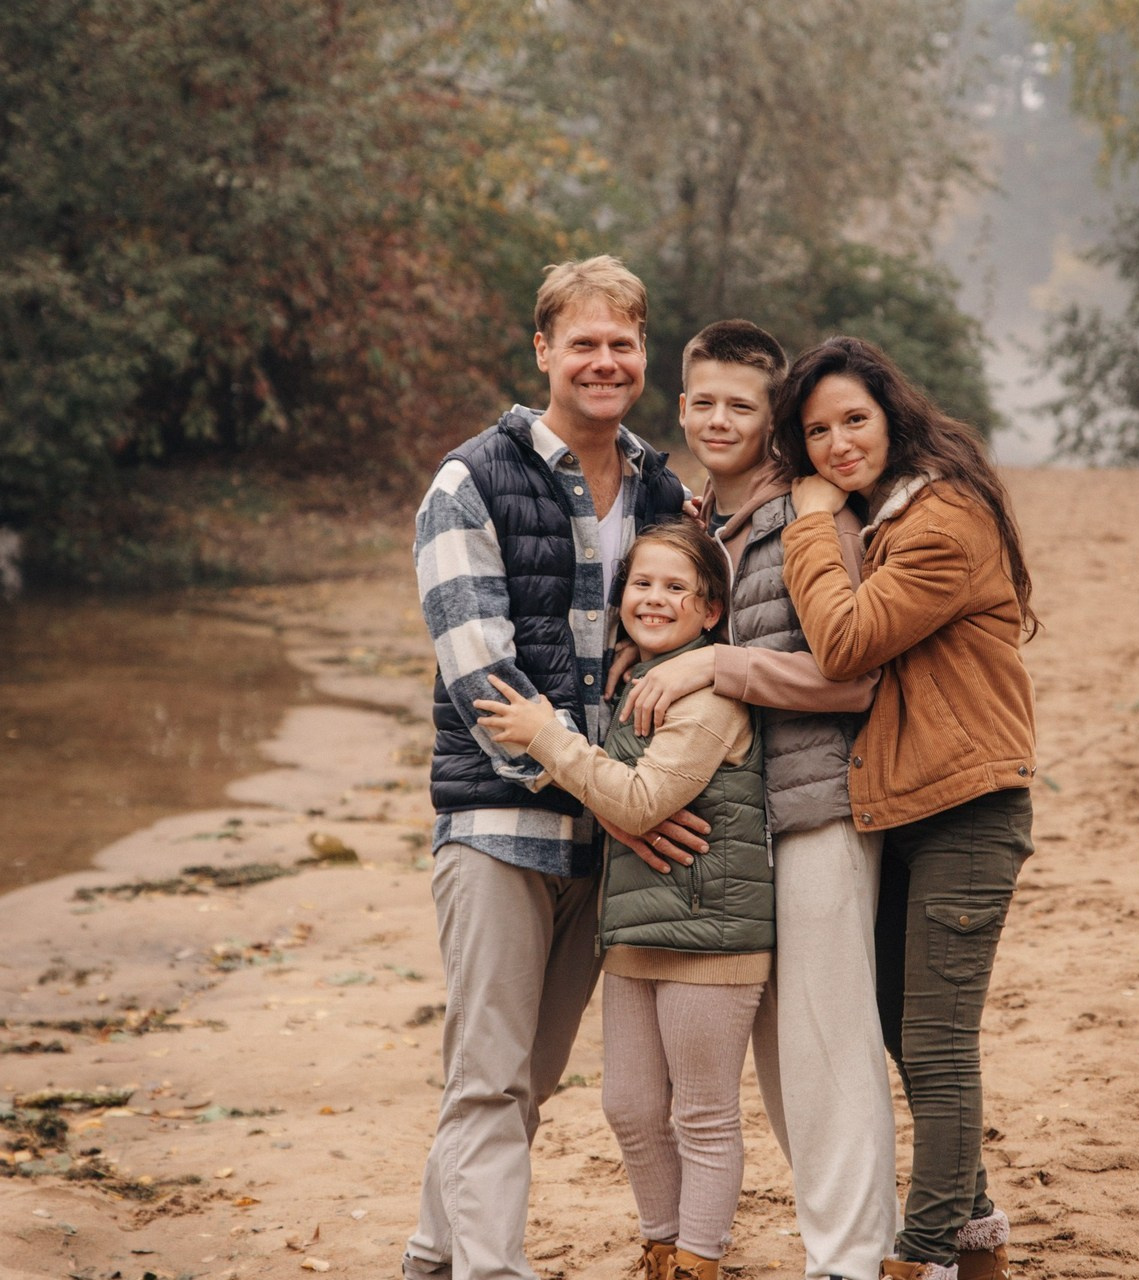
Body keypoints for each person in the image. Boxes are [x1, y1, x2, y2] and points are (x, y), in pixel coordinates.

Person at [403, 255, 687, 1280]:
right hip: (498, 825)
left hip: (605, 835)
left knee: (526, 1075)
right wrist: (607, 788)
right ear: (542, 351)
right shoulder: (467, 480)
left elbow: (680, 644)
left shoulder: (663, 486)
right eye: (583, 342)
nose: (603, 361)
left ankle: (431, 1254)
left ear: (641, 353)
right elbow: (484, 681)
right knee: (488, 1076)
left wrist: (630, 793)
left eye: (621, 342)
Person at [622, 320, 898, 1280]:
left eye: (742, 403)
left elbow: (851, 676)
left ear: (773, 412)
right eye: (701, 401)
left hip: (819, 806)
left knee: (828, 1045)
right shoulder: (705, 525)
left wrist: (721, 664)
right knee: (781, 1061)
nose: (717, 418)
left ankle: (854, 1259)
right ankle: (860, 1244)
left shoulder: (808, 521)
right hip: (744, 833)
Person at [773, 336, 1038, 1280]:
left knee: (936, 1042)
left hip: (969, 806)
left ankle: (921, 1255)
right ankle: (976, 1237)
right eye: (817, 434)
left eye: (855, 420)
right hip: (910, 808)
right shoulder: (886, 513)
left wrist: (807, 519)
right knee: (900, 1026)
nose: (840, 444)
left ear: (892, 415)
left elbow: (843, 642)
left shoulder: (940, 519)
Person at [474, 519, 772, 1280]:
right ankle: (662, 1246)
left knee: (701, 1114)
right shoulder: (638, 678)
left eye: (677, 588)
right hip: (637, 922)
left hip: (713, 932)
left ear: (711, 612)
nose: (655, 598)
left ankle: (698, 1261)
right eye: (642, 583)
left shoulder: (708, 697)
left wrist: (546, 734)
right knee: (631, 1108)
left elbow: (639, 803)